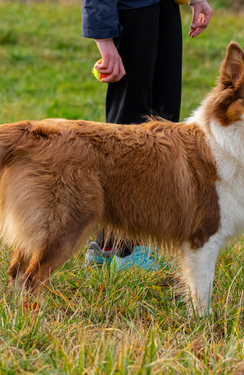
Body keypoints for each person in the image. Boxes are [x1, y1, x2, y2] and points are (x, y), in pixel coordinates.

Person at [82, 0, 213, 268]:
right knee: (127, 136)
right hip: (131, 15)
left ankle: (122, 246)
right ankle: (118, 250)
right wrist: (105, 41)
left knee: (163, 133)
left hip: (165, 10)